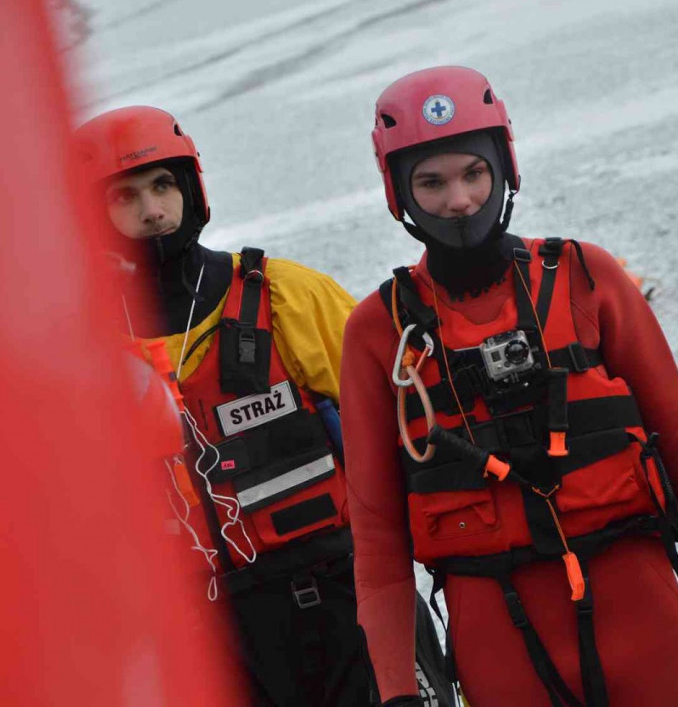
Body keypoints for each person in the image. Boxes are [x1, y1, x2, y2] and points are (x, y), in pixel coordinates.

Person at [340, 65, 678, 707]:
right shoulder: (377, 334)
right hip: (502, 661)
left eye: (474, 173)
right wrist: (397, 695)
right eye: (432, 183)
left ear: (506, 168)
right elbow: (379, 544)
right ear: (400, 194)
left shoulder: (588, 279)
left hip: (650, 638)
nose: (460, 201)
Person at [73, 106, 453, 707]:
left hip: (343, 603)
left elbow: (419, 423)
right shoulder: (80, 356)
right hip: (200, 641)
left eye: (163, 186)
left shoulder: (286, 296)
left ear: (192, 188)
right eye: (125, 197)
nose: (152, 211)